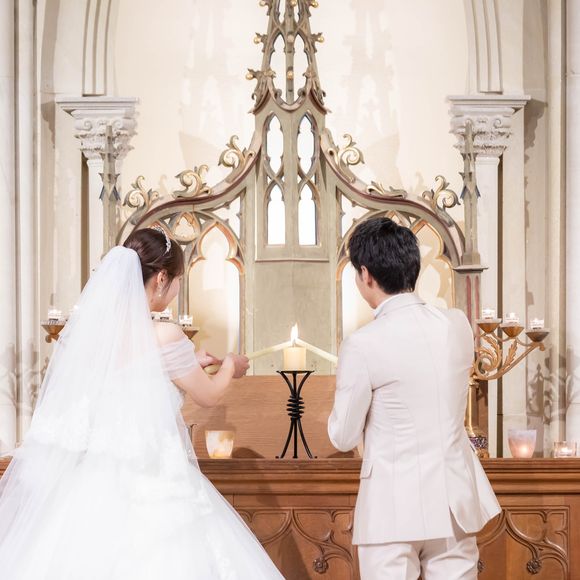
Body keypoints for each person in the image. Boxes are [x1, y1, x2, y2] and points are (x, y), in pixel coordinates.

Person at [0, 227, 284, 580]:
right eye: (178, 280)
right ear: (161, 278)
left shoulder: (96, 338)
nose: (177, 288)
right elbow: (209, 395)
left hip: (91, 482)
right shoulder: (165, 333)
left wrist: (189, 362)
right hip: (153, 481)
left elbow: (133, 375)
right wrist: (230, 366)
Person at [328, 217, 500, 580]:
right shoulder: (456, 326)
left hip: (392, 508)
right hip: (454, 503)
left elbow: (343, 436)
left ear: (365, 274)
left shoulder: (362, 344)